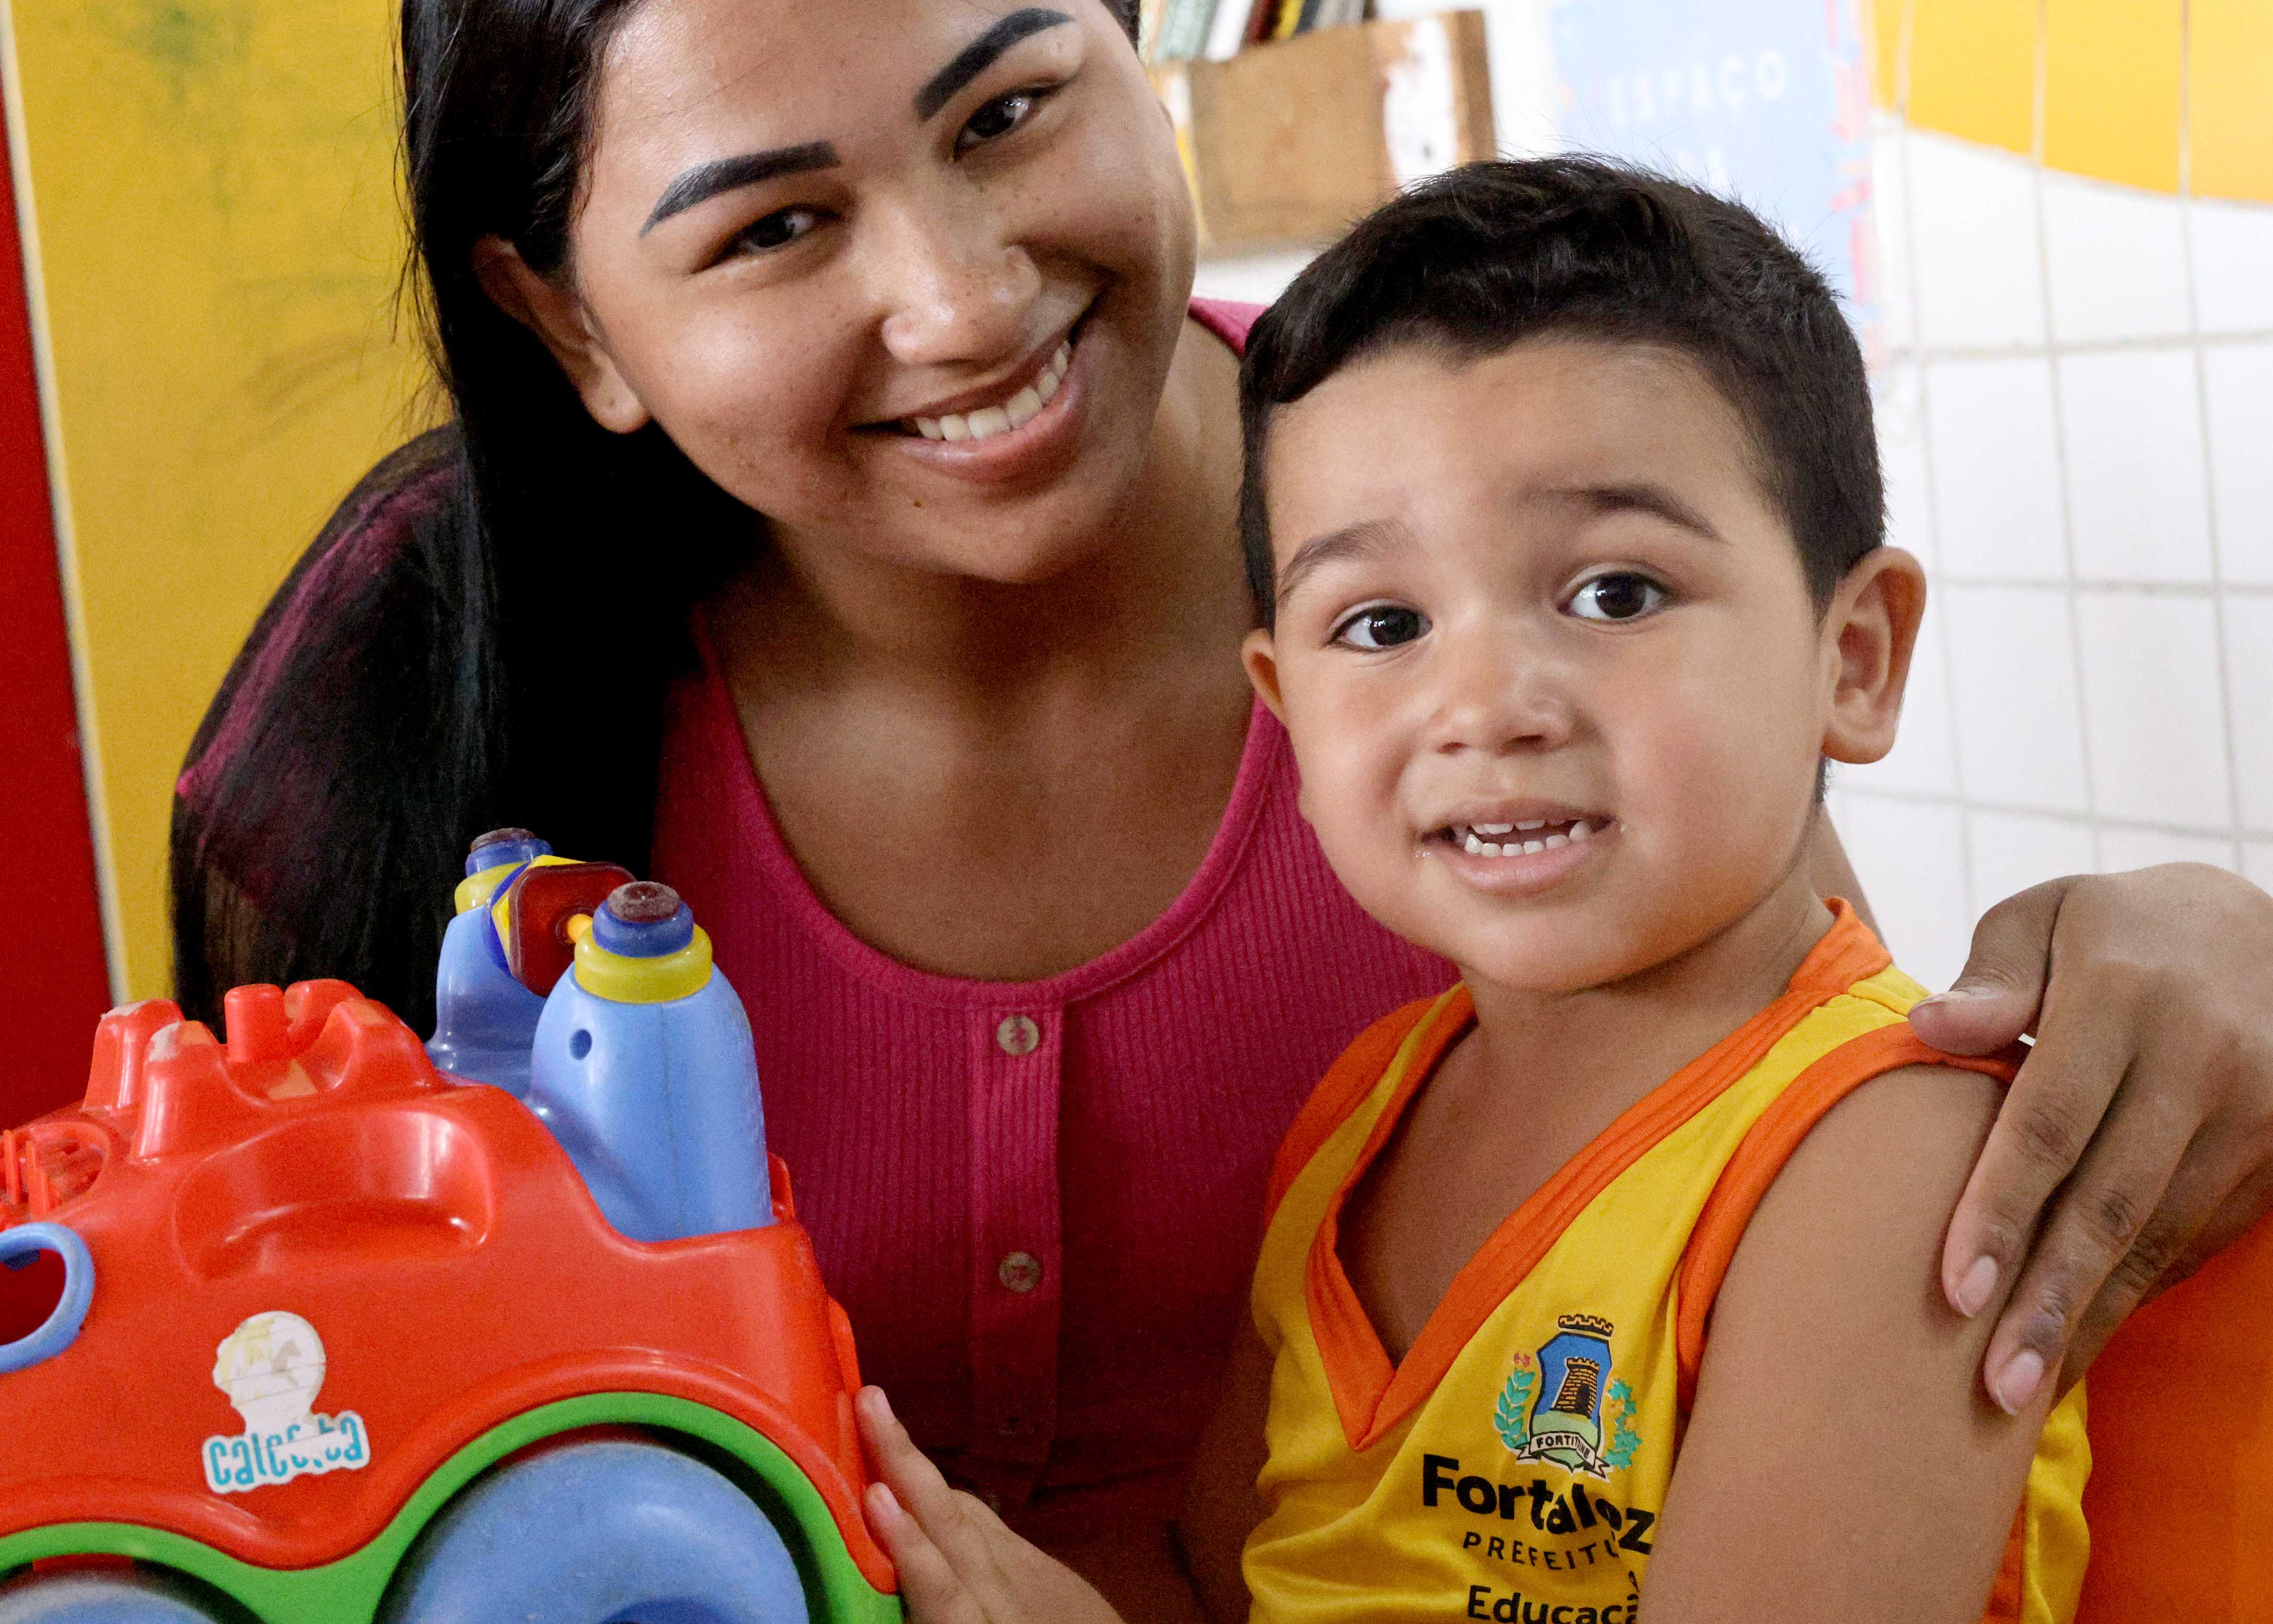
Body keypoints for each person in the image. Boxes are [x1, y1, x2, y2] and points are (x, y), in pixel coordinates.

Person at [171, 0, 2273, 1617]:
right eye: (776, 226)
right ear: (566, 320)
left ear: (1134, 29)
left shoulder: (1466, 539)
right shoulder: (429, 676)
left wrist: (2197, 938)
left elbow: (1778, 1126)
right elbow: (287, 1432)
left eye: (1010, 113)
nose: (964, 297)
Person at [857, 158, 2089, 1624]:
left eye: (1616, 594)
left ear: (1857, 658)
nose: (1487, 706)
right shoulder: (1368, 1115)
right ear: (1284, 714)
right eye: (1383, 624)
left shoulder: (1892, 1162)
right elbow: (1216, 1586)